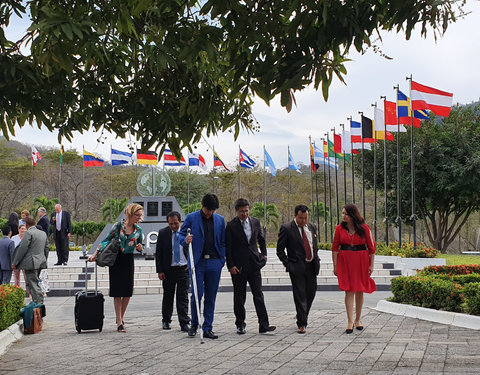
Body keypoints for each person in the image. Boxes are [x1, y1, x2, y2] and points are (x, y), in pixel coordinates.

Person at [89, 203, 144, 332]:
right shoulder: (118, 226)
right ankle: (119, 321)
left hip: (128, 259)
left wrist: (140, 247)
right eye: (137, 215)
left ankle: (121, 317)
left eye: (141, 216)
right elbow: (106, 240)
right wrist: (95, 254)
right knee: (117, 291)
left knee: (127, 292)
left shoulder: (138, 230)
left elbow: (140, 243)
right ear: (130, 214)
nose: (139, 218)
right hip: (116, 259)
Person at [226, 198, 275, 335]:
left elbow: (261, 239)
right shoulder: (231, 225)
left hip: (254, 263)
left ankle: (264, 324)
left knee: (258, 294)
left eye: (246, 211)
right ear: (236, 211)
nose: (244, 214)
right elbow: (228, 248)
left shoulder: (255, 222)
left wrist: (263, 254)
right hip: (239, 266)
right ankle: (240, 324)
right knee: (239, 296)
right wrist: (230, 265)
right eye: (241, 211)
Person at [179, 193, 225, 339]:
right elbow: (180, 235)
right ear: (202, 206)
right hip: (198, 263)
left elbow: (223, 241)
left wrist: (221, 260)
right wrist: (185, 240)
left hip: (214, 262)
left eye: (213, 210)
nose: (210, 213)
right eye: (208, 210)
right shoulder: (191, 218)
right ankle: (194, 324)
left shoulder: (220, 220)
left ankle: (208, 327)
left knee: (211, 296)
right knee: (197, 295)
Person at [332, 204, 376, 334]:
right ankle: (350, 321)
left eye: (346, 213)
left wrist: (371, 265)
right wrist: (335, 266)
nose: (343, 216)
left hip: (361, 260)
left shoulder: (364, 228)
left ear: (352, 215)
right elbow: (335, 248)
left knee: (359, 290)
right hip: (345, 261)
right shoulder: (339, 229)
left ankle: (358, 320)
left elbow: (372, 249)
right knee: (348, 290)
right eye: (342, 213)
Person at [276, 204, 320, 334]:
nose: (303, 221)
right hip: (296, 267)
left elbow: (314, 246)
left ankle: (302, 313)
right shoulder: (287, 228)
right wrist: (288, 264)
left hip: (311, 265)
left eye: (306, 218)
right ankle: (302, 323)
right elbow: (280, 250)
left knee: (311, 293)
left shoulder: (312, 227)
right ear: (295, 216)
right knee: (300, 294)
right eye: (301, 218)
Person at [155, 211, 190, 332]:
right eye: (171, 224)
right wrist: (160, 270)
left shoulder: (187, 233)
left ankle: (184, 322)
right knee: (168, 296)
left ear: (180, 221)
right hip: (168, 270)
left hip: (183, 269)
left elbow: (193, 249)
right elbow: (158, 253)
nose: (174, 226)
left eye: (176, 223)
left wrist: (190, 264)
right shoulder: (163, 233)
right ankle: (166, 321)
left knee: (183, 297)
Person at [11, 216, 49, 304]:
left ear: (26, 225)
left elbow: (22, 248)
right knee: (35, 282)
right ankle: (38, 302)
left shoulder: (28, 233)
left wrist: (15, 262)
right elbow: (46, 248)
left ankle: (38, 303)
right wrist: (44, 259)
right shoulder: (43, 233)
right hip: (40, 261)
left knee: (33, 284)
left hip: (31, 263)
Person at [11, 224, 28, 289]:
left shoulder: (27, 238)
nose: (23, 230)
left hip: (25, 261)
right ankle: (17, 292)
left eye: (24, 229)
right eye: (22, 229)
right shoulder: (13, 238)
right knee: (16, 279)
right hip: (16, 261)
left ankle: (29, 293)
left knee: (27, 279)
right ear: (18, 229)